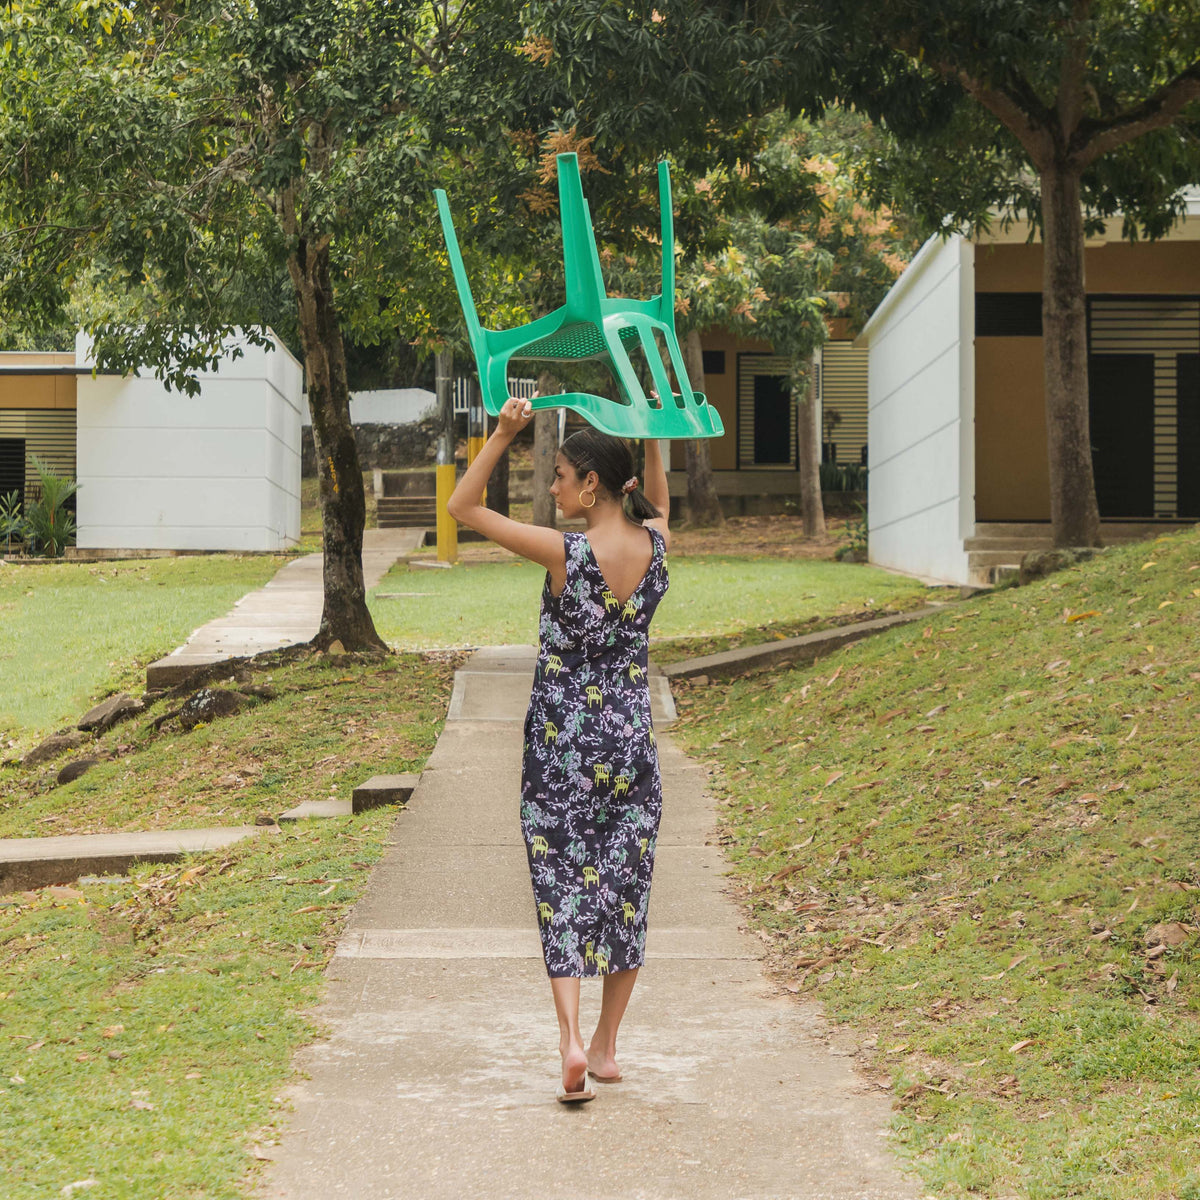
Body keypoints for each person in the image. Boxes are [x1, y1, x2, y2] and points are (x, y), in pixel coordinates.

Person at [447, 398, 671, 1104]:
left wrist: (505, 433)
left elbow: (462, 506)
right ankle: (606, 1047)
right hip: (631, 745)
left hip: (560, 747)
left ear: (593, 485)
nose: (554, 488)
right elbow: (658, 503)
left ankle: (572, 1043)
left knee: (563, 892)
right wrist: (656, 436)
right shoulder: (658, 545)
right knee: (624, 894)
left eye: (562, 475)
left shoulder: (563, 553)